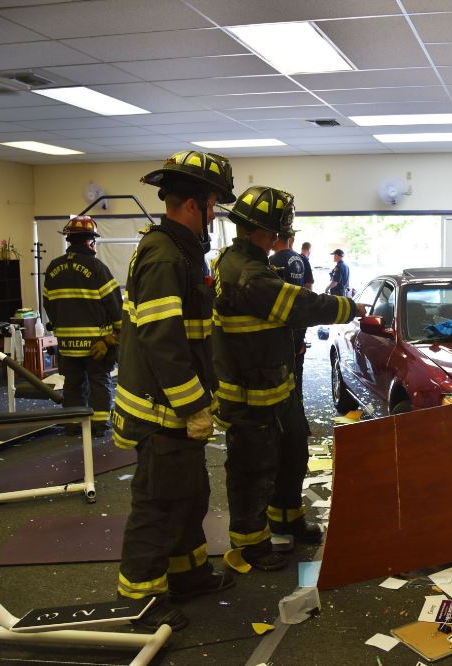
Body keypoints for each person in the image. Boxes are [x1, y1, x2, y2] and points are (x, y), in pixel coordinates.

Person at [211, 186, 365, 572]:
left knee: (292, 449)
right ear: (264, 231)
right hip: (248, 391)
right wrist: (348, 306)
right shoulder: (246, 272)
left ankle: (286, 517)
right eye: (278, 231)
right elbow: (296, 304)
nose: (280, 238)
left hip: (274, 384)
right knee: (253, 467)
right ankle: (251, 543)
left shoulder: (248, 261)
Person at [113, 150, 236, 632]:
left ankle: (188, 576)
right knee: (158, 507)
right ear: (194, 205)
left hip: (178, 411)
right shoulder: (165, 255)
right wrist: (192, 406)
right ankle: (137, 603)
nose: (216, 215)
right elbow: (163, 341)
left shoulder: (182, 250)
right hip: (163, 413)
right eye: (214, 205)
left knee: (189, 495)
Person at [42, 215, 122, 437]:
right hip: (97, 343)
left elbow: (48, 303)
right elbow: (114, 302)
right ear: (90, 242)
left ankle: (73, 424)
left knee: (73, 384)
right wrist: (119, 331)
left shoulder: (53, 268)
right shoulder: (96, 267)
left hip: (67, 343)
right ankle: (98, 426)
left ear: (69, 240)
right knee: (99, 382)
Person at [269, 229, 310, 394]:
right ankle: (297, 406)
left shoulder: (271, 261)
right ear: (291, 239)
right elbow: (309, 294)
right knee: (297, 374)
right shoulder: (302, 260)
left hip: (279, 330)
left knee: (280, 377)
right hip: (298, 327)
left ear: (276, 237)